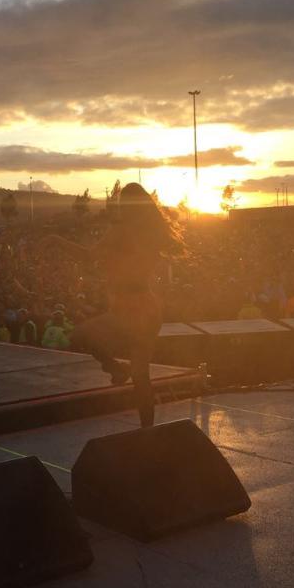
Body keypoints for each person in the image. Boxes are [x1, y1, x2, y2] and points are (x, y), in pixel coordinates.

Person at [42, 183, 179, 427]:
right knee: (141, 377)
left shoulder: (121, 230)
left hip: (129, 307)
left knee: (80, 335)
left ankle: (115, 368)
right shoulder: (152, 233)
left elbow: (88, 256)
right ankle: (148, 431)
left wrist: (57, 241)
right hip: (149, 308)